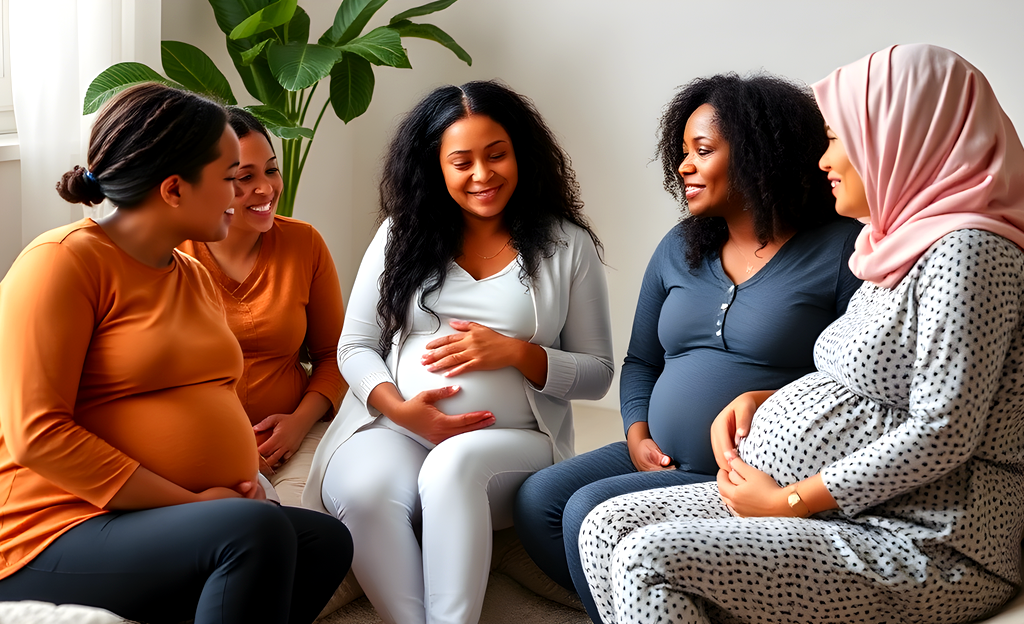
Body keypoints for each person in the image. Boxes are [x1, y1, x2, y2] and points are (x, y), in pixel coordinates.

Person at [578, 43, 1024, 624]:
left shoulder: (971, 252)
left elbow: (943, 430)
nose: (823, 159)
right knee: (605, 525)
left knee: (646, 556)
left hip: (925, 537)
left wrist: (789, 500)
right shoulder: (897, 247)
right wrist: (765, 401)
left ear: (899, 137)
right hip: (841, 510)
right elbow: (867, 383)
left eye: (839, 138)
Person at [0, 83, 352, 624]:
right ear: (173, 190)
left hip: (164, 519)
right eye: (230, 177)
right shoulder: (61, 263)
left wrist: (241, 482)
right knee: (252, 533)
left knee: (323, 541)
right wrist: (196, 506)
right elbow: (37, 433)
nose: (242, 193)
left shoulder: (189, 273)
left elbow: (206, 402)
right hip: (55, 526)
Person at [514, 73, 862, 620]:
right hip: (662, 456)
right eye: (682, 152)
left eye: (703, 151)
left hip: (753, 470)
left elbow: (855, 383)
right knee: (540, 500)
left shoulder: (842, 250)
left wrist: (766, 400)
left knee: (584, 509)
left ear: (759, 156)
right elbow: (641, 362)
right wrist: (636, 434)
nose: (683, 166)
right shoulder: (680, 247)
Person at [301, 79, 614, 624]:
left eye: (497, 155)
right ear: (435, 167)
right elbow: (354, 346)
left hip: (513, 442)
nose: (482, 175)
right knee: (363, 488)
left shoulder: (568, 245)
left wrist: (518, 353)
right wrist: (399, 409)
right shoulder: (402, 234)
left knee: (453, 465)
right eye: (461, 161)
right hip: (395, 427)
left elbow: (598, 374)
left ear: (522, 155)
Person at [180, 108, 347, 506]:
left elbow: (335, 356)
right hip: (202, 453)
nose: (266, 189)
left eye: (270, 170)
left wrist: (297, 424)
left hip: (296, 440)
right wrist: (231, 448)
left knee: (308, 525)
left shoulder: (305, 243)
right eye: (244, 178)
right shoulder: (174, 255)